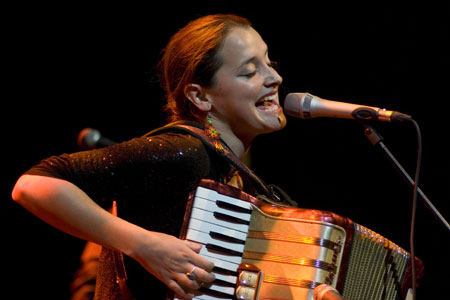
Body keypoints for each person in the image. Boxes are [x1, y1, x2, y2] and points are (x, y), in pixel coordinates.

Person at [12, 14, 290, 300]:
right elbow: (34, 184)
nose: (274, 78)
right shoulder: (185, 152)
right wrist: (144, 245)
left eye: (270, 63)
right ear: (200, 96)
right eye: (249, 71)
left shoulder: (234, 176)